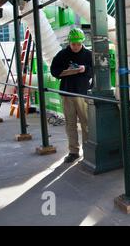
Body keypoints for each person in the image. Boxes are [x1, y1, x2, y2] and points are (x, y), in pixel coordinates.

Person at [50, 28, 93, 163]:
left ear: (82, 42)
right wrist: (65, 71)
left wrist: (84, 69)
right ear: (69, 42)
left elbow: (95, 70)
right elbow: (54, 70)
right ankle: (73, 151)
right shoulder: (62, 54)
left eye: (78, 44)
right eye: (73, 44)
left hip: (83, 93)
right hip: (67, 93)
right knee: (70, 124)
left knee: (86, 124)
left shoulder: (88, 54)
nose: (75, 47)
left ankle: (88, 151)